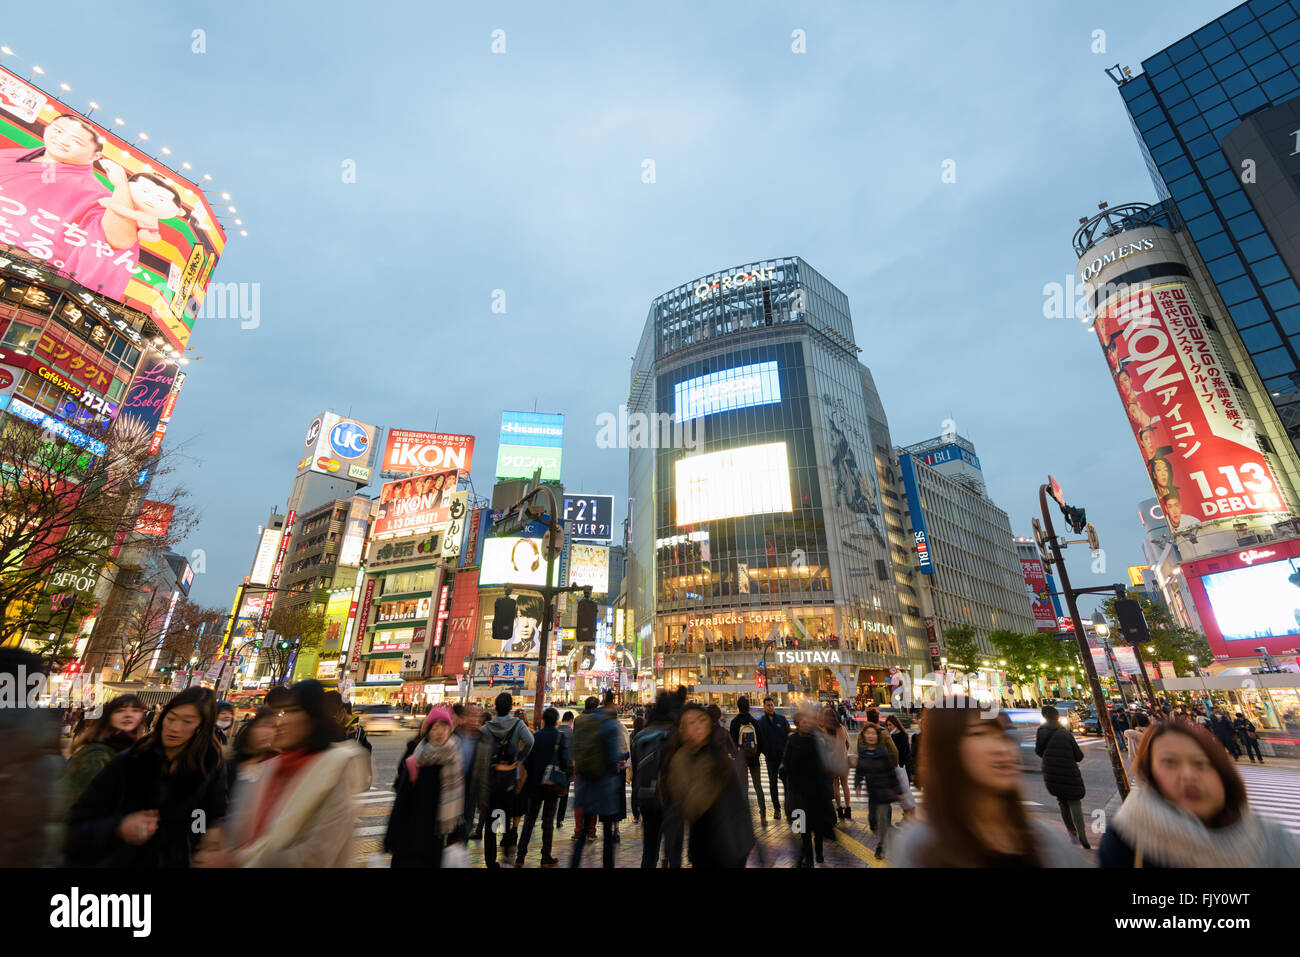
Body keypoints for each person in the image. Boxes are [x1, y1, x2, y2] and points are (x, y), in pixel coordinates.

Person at [892, 705, 1081, 867]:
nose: (1002, 747)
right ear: (946, 751)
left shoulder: (1045, 841)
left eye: (1001, 735)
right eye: (979, 733)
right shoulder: (919, 848)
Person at [1099, 720, 1300, 867]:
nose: (1188, 776)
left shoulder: (1275, 842)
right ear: (1149, 775)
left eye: (1200, 763)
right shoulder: (1125, 840)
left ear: (1223, 773)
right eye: (1169, 762)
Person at [66, 687, 228, 868]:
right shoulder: (131, 760)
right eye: (171, 718)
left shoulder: (210, 766)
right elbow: (77, 823)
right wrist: (119, 827)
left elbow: (210, 813)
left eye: (187, 722)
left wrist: (210, 839)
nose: (175, 728)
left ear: (201, 727)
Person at [662, 703, 754, 868]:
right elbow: (684, 805)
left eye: (701, 721)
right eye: (689, 723)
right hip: (705, 848)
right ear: (681, 730)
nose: (696, 727)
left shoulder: (717, 754)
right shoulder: (683, 758)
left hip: (731, 846)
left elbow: (696, 804)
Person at [384, 706, 463, 868]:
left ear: (450, 729)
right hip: (410, 837)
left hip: (435, 840)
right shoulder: (415, 761)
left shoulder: (454, 761)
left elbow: (459, 799)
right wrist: (390, 838)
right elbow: (401, 802)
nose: (439, 732)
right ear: (427, 731)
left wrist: (458, 834)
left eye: (444, 726)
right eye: (435, 727)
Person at [471, 692, 533, 869]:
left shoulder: (486, 729)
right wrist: (518, 757)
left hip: (491, 780)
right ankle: (506, 853)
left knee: (490, 821)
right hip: (509, 778)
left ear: (495, 708)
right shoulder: (518, 724)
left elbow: (480, 758)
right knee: (504, 815)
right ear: (511, 707)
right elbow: (530, 741)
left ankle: (491, 861)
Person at [59, 694, 145, 817]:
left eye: (135, 710)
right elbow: (84, 804)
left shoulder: (130, 748)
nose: (129, 715)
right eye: (120, 710)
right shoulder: (98, 754)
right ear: (109, 716)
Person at [570, 694, 625, 869]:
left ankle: (574, 863)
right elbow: (612, 756)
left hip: (585, 781)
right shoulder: (609, 724)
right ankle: (608, 865)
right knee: (607, 832)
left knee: (584, 830)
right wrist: (622, 757)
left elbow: (574, 748)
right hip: (604, 785)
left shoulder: (583, 721)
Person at [780, 703, 836, 867]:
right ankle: (808, 857)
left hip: (815, 791)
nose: (805, 724)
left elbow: (825, 764)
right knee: (802, 827)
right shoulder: (792, 740)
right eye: (802, 721)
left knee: (817, 826)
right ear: (798, 723)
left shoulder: (816, 740)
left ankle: (818, 852)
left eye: (807, 721)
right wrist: (783, 771)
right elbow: (786, 759)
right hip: (798, 791)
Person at [516, 707, 568, 868]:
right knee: (548, 821)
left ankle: (520, 857)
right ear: (557, 722)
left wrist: (534, 774)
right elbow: (565, 762)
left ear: (543, 721)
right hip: (552, 786)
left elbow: (526, 761)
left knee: (529, 821)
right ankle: (545, 857)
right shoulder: (560, 737)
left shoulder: (536, 737)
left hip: (535, 785)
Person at [1035, 706, 1091, 850]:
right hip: (1069, 769)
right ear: (1057, 716)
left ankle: (1071, 833)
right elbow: (1079, 756)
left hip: (1051, 770)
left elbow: (1038, 751)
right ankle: (1082, 834)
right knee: (1074, 801)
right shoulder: (1064, 732)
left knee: (1062, 801)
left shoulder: (1041, 731)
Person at [631, 695, 675, 869]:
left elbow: (636, 770)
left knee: (649, 850)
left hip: (646, 797)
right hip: (670, 798)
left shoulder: (640, 736)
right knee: (672, 850)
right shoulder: (674, 734)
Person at [856, 723, 900, 859]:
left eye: (873, 733)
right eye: (868, 733)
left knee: (882, 819)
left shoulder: (882, 751)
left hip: (884, 790)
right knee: (873, 818)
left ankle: (881, 846)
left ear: (877, 736)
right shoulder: (863, 751)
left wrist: (898, 790)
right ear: (864, 735)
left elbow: (891, 771)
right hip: (872, 791)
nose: (870, 736)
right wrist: (858, 783)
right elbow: (859, 769)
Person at [728, 696, 767, 823]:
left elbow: (732, 742)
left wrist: (737, 756)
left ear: (738, 707)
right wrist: (756, 753)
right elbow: (761, 740)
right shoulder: (754, 722)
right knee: (758, 786)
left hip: (741, 759)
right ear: (748, 706)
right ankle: (763, 815)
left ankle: (744, 814)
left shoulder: (734, 722)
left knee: (743, 787)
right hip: (754, 759)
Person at [225, 708, 278, 802]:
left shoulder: (275, 761)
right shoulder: (230, 760)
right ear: (250, 730)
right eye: (263, 725)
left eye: (273, 727)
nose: (268, 732)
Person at [757, 697, 790, 818]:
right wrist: (766, 752)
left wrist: (786, 753)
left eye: (772, 705)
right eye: (768, 705)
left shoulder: (781, 720)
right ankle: (777, 809)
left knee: (786, 784)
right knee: (772, 784)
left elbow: (788, 737)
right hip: (770, 759)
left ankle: (788, 807)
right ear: (764, 707)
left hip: (783, 758)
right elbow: (761, 741)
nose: (770, 707)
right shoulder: (761, 723)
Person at [822, 706, 852, 820]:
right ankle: (848, 808)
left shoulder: (824, 730)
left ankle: (839, 809)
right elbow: (848, 744)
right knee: (845, 784)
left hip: (832, 762)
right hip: (843, 761)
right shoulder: (842, 728)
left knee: (835, 785)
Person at [555, 710, 575, 831]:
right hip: (566, 767)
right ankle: (559, 819)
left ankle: (547, 818)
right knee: (564, 794)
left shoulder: (555, 731)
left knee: (551, 794)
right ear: (571, 720)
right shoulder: (572, 733)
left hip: (553, 767)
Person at [884, 714, 913, 783]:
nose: (888, 727)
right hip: (889, 770)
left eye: (890, 725)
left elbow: (907, 755)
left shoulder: (902, 736)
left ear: (895, 724)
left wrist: (909, 773)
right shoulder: (888, 736)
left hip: (900, 769)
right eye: (887, 725)